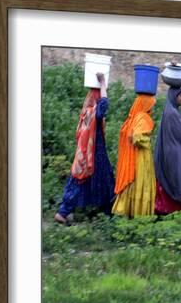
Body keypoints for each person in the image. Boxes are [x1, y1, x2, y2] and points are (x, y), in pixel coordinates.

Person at [54, 73, 115, 223]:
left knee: (82, 180)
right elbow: (104, 106)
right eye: (99, 95)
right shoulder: (93, 112)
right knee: (103, 179)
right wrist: (102, 84)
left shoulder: (86, 111)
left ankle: (66, 211)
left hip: (86, 153)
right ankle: (108, 215)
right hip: (94, 152)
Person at [112, 94, 157, 217]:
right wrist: (148, 142)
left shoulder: (133, 117)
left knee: (132, 184)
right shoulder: (143, 117)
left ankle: (125, 213)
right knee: (142, 183)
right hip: (141, 157)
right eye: (151, 106)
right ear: (145, 105)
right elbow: (137, 137)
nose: (152, 109)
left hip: (133, 157)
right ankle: (140, 215)